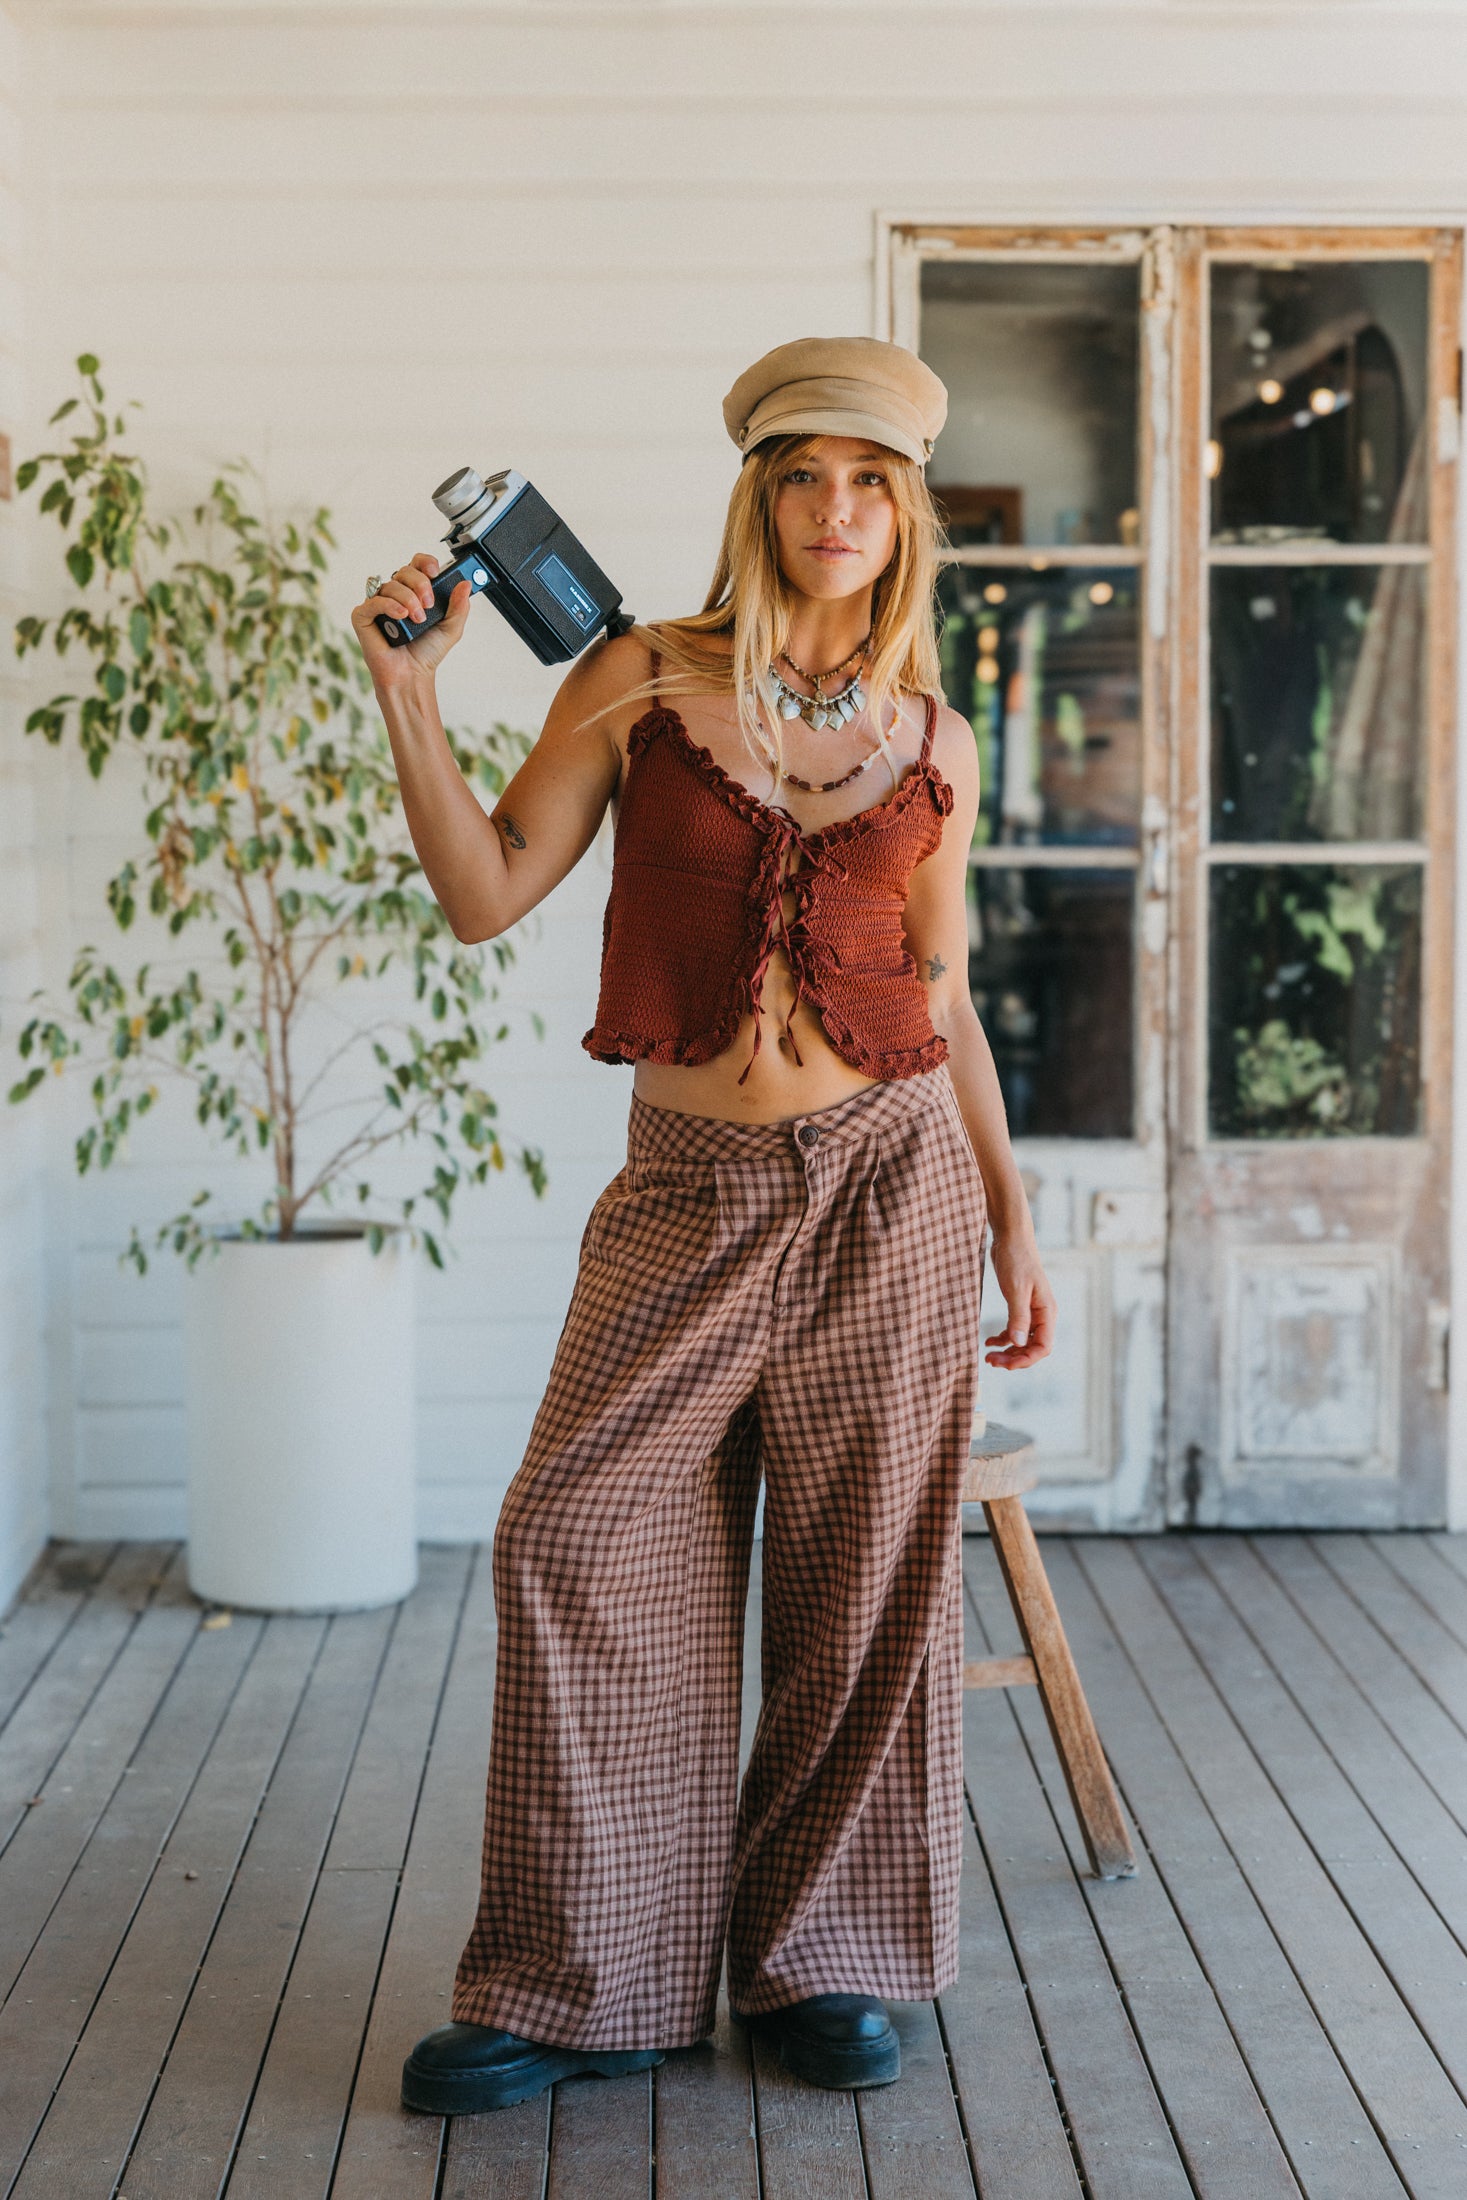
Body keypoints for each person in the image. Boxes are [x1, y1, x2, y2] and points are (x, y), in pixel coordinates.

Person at [351, 336, 1056, 2118]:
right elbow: (484, 891)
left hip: (892, 1186)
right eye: (808, 477)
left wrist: (1011, 1213)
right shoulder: (635, 679)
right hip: (689, 1192)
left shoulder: (937, 741)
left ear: (908, 518)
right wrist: (411, 698)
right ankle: (587, 1975)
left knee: (864, 1580)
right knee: (574, 1541)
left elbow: (947, 995)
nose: (840, 511)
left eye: (873, 484)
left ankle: (819, 1960)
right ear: (760, 497)